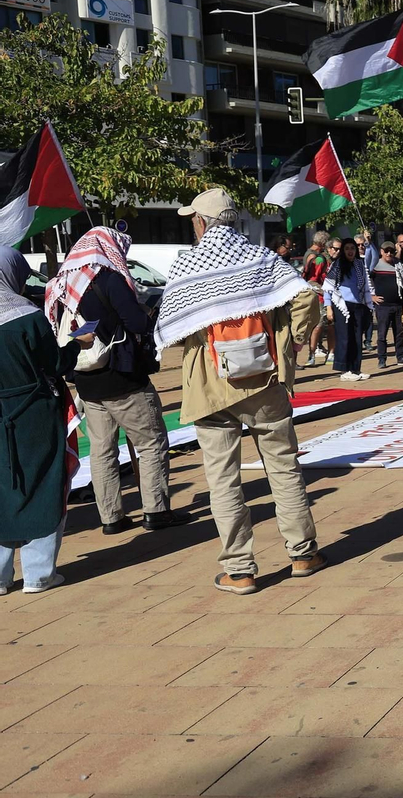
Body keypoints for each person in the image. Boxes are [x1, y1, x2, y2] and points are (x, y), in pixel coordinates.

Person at [153, 188, 324, 595]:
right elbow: (305, 296)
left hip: (211, 388)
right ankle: (303, 554)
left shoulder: (188, 266)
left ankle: (240, 569)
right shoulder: (262, 259)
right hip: (265, 381)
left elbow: (171, 325)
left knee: (223, 480)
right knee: (283, 468)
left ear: (200, 223)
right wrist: (293, 340)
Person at [43, 227, 188, 535]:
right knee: (150, 444)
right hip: (123, 379)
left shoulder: (61, 284)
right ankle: (156, 511)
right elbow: (135, 323)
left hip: (86, 382)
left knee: (101, 450)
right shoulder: (108, 280)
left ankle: (111, 517)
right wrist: (148, 315)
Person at [0, 247, 74, 594]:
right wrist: (77, 343)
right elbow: (56, 362)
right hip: (33, 414)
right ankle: (38, 574)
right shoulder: (25, 315)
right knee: (45, 484)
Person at [324, 235, 372, 381]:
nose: (350, 251)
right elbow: (328, 287)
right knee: (345, 337)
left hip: (357, 305)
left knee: (357, 338)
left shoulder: (359, 264)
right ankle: (344, 370)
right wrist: (328, 308)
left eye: (353, 248)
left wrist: (368, 242)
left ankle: (355, 369)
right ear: (343, 251)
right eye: (347, 249)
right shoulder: (337, 265)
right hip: (341, 305)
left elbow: (373, 257)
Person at [370, 241, 403, 369]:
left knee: (399, 333)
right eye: (386, 251)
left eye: (391, 251)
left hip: (398, 304)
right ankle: (382, 359)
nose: (389, 253)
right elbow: (366, 281)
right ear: (381, 251)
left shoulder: (398, 265)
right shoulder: (375, 265)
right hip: (383, 306)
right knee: (382, 334)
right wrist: (371, 296)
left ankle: (400, 356)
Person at [301, 231, 332, 366]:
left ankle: (315, 352)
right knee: (318, 324)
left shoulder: (310, 254)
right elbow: (313, 278)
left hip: (314, 293)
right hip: (318, 294)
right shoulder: (316, 258)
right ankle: (312, 354)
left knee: (320, 325)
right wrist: (323, 291)